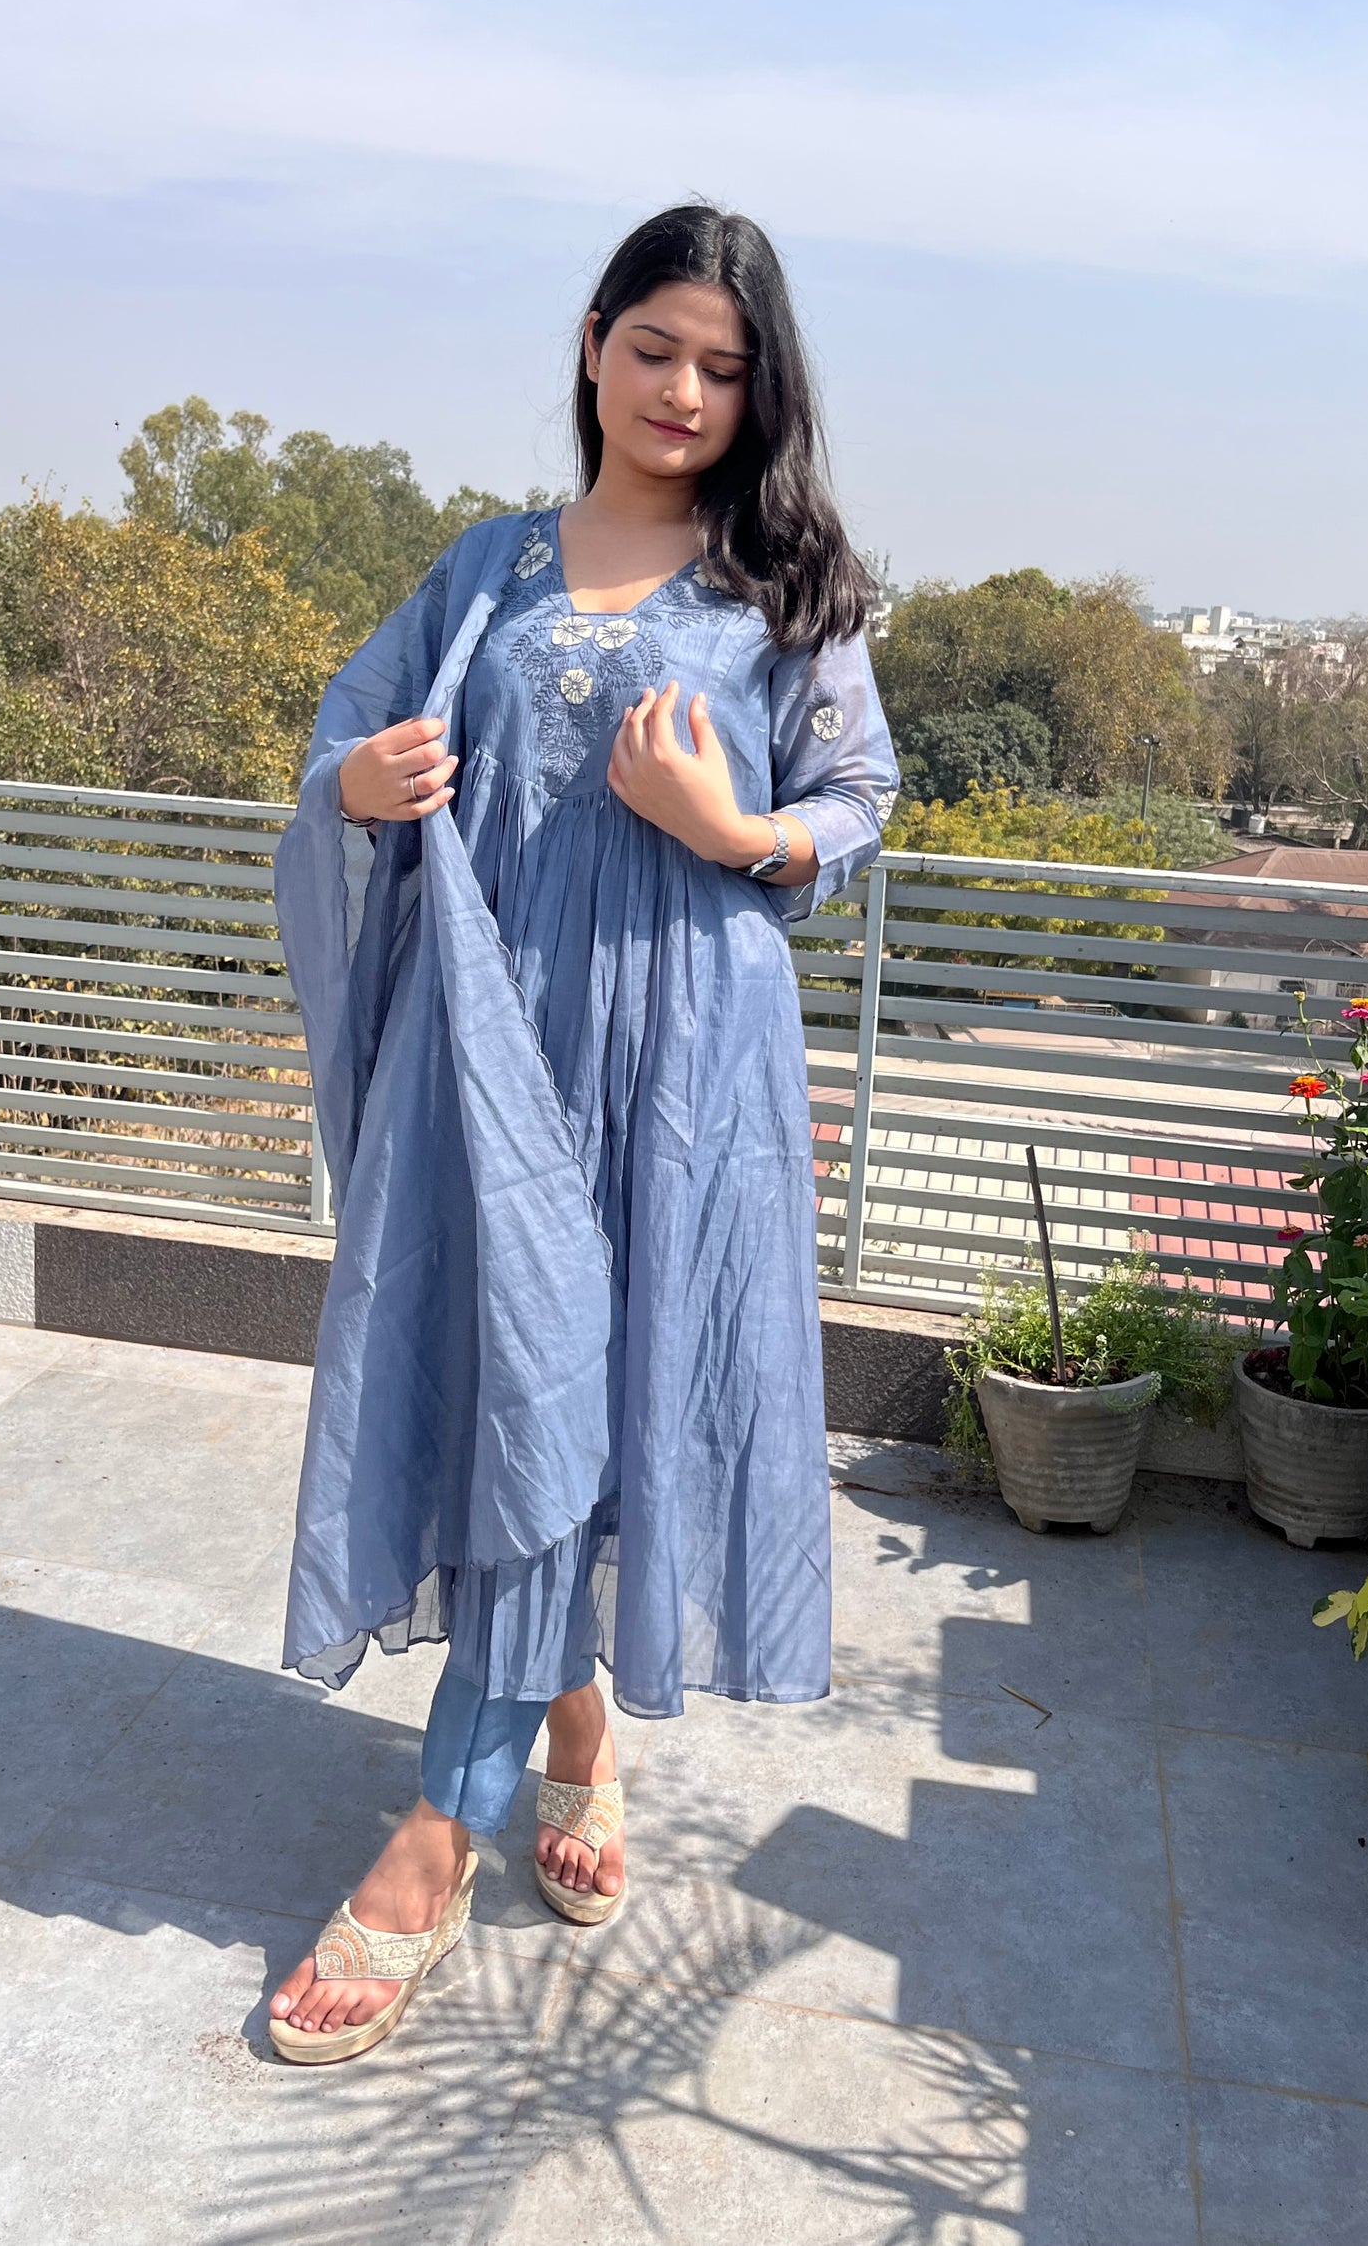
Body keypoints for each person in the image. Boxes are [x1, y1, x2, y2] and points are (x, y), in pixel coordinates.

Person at [266, 203, 897, 2063]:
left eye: (724, 367)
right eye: (655, 349)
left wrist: (740, 833)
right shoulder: (484, 570)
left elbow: (857, 797)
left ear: (760, 392)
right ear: (594, 345)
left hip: (686, 1069)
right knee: (511, 1380)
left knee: (615, 1386)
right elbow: (342, 735)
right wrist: (355, 782)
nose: (684, 392)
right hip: (492, 1060)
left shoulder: (785, 596)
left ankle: (439, 1826)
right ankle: (557, 1732)